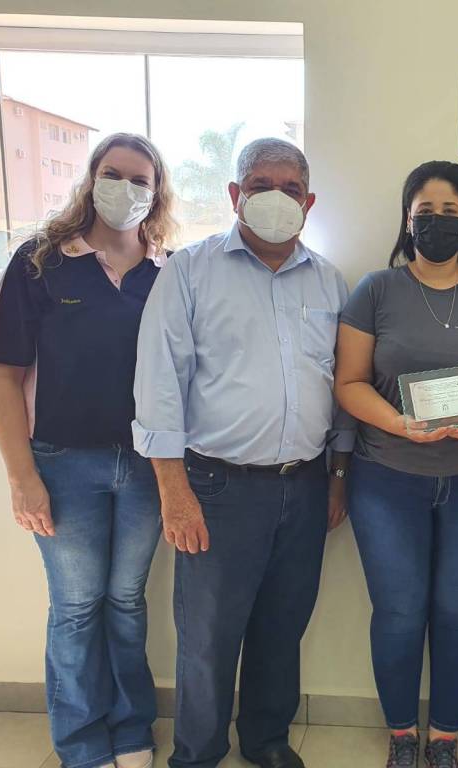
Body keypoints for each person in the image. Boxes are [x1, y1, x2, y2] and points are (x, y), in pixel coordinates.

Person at [132, 138, 353, 768]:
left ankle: (267, 741)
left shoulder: (329, 281)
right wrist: (174, 491)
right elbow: (159, 384)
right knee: (208, 636)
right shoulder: (190, 271)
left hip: (304, 484)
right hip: (216, 487)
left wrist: (338, 477)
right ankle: (198, 754)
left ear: (309, 202)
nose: (275, 198)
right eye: (260, 185)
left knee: (282, 628)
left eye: (290, 189)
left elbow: (341, 386)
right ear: (235, 194)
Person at [0, 132, 176, 768]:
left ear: (157, 192)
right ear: (91, 179)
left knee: (126, 603)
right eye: (113, 174)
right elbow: (1, 378)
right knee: (76, 607)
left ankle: (132, 729)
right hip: (63, 464)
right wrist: (22, 478)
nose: (126, 188)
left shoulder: (167, 271)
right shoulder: (39, 262)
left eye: (141, 179)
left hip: (146, 467)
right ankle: (82, 742)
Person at [334, 160, 458, 768]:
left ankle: (444, 738)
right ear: (406, 218)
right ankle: (401, 735)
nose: (437, 222)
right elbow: (349, 382)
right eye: (425, 211)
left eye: (450, 211)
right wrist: (397, 423)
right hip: (386, 480)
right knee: (398, 612)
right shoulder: (376, 290)